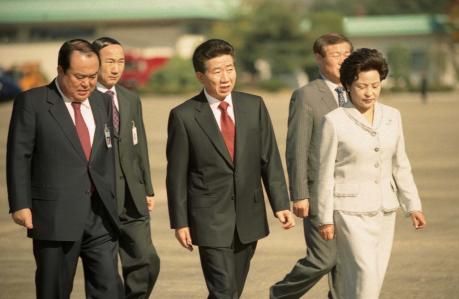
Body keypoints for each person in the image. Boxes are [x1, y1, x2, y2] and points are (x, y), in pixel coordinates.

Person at [166, 38, 295, 298]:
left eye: (230, 68)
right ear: (200, 76)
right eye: (217, 71)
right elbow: (176, 175)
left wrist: (280, 203)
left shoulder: (254, 105)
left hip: (249, 215)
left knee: (231, 290)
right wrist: (180, 222)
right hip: (209, 219)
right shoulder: (184, 115)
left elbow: (269, 157)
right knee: (224, 290)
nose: (225, 77)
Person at [6, 39, 123, 299]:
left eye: (93, 77)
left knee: (110, 290)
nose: (87, 83)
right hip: (55, 215)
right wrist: (20, 204)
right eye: (80, 76)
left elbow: (106, 156)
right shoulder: (33, 103)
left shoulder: (103, 102)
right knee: (54, 291)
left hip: (100, 215)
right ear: (60, 71)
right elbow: (18, 156)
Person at [316, 48, 427, 299]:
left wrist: (413, 205)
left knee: (373, 277)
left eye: (375, 86)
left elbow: (401, 163)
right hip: (349, 213)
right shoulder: (334, 121)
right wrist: (325, 218)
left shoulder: (392, 116)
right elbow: (324, 173)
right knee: (365, 275)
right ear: (347, 85)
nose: (370, 93)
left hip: (385, 210)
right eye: (362, 86)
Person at [270, 33, 352, 299]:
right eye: (336, 55)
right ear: (319, 58)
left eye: (347, 54)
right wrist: (300, 194)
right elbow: (297, 148)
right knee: (323, 259)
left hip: (352, 193)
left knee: (347, 263)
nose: (343, 60)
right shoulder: (306, 95)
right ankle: (281, 294)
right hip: (319, 193)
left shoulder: (358, 92)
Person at [93, 37, 160, 299]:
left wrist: (148, 188)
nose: (116, 68)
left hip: (133, 195)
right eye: (109, 61)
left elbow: (139, 144)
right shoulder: (85, 99)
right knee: (105, 274)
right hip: (100, 197)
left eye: (121, 62)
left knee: (146, 259)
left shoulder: (130, 98)